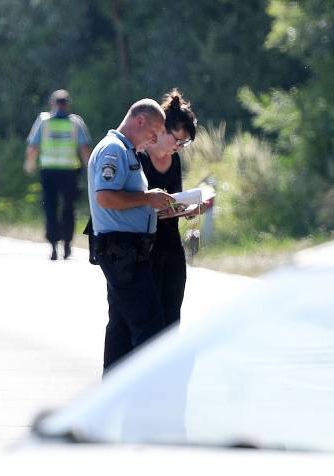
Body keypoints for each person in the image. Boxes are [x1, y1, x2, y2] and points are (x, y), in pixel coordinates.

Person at [87, 99, 175, 371]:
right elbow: (106, 198)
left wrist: (160, 207)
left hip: (125, 250)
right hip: (122, 251)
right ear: (139, 121)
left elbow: (128, 203)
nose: (156, 137)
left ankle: (112, 397)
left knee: (121, 329)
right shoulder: (114, 150)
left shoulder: (125, 150)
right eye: (155, 130)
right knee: (149, 326)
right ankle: (145, 399)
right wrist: (148, 199)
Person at [139, 90, 203, 328]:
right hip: (146, 246)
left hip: (171, 243)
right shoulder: (140, 156)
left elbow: (175, 199)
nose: (179, 146)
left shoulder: (174, 160)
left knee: (173, 312)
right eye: (177, 140)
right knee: (150, 316)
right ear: (162, 129)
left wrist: (191, 208)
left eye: (184, 143)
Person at [24, 90, 92, 261]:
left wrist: (29, 164)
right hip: (68, 171)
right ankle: (66, 244)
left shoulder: (44, 121)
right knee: (68, 209)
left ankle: (54, 245)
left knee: (51, 208)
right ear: (67, 104)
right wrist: (91, 171)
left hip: (49, 171)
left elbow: (33, 146)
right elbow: (84, 149)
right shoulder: (75, 123)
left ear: (52, 103)